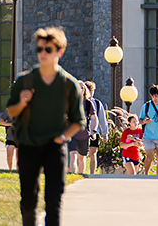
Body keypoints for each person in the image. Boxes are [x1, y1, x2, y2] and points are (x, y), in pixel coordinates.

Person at [6, 26, 85, 226]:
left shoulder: (69, 84)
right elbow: (11, 112)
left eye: (47, 50)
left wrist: (61, 138)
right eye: (39, 49)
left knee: (53, 201)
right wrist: (22, 103)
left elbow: (78, 121)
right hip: (28, 145)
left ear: (60, 52)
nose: (42, 54)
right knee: (28, 201)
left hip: (54, 147)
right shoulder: (25, 80)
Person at [68, 83, 97, 174]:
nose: (80, 89)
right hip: (72, 133)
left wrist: (94, 131)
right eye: (78, 87)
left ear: (85, 90)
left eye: (82, 88)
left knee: (82, 157)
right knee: (73, 155)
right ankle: (73, 175)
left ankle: (81, 175)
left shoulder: (88, 104)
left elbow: (95, 118)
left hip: (84, 135)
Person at [85, 81, 108, 175]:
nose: (91, 93)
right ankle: (80, 172)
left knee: (93, 153)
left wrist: (105, 133)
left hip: (94, 132)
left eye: (92, 90)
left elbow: (102, 119)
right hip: (82, 131)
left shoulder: (97, 103)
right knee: (81, 154)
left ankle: (92, 174)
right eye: (89, 90)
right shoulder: (80, 102)